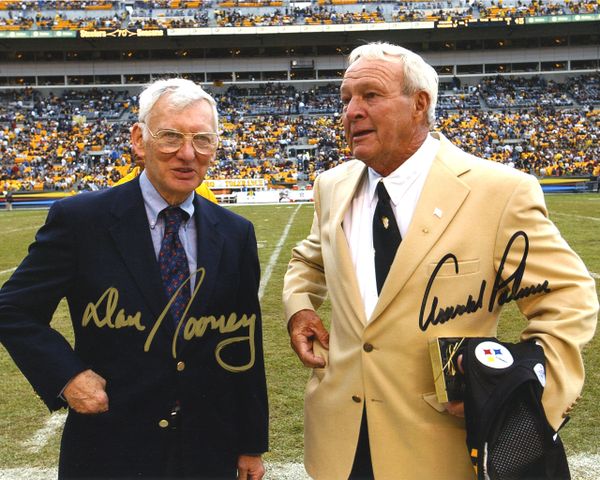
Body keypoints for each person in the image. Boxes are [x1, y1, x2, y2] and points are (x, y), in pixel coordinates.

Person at [282, 42, 598, 479]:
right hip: (340, 444)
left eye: (370, 95)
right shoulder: (332, 186)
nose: (351, 111)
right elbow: (309, 259)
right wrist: (299, 306)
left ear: (419, 105)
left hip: (441, 450)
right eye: (346, 98)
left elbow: (568, 297)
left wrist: (523, 398)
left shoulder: (499, 192)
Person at [0, 78, 268, 479]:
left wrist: (250, 444)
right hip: (111, 447)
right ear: (140, 139)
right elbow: (12, 309)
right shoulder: (81, 221)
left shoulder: (235, 232)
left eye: (203, 139)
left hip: (207, 448)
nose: (188, 153)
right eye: (171, 136)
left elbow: (243, 344)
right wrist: (68, 376)